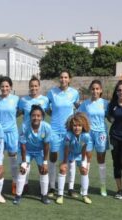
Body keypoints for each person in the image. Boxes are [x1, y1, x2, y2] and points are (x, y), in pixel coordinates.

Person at [46, 70, 79, 198]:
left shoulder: (74, 93)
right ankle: (52, 186)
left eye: (66, 77)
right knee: (53, 157)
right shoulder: (52, 93)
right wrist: (54, 115)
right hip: (54, 130)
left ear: (69, 79)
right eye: (61, 77)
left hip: (68, 131)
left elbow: (77, 107)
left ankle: (70, 187)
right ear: (58, 79)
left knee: (70, 159)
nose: (63, 79)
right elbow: (47, 109)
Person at [13, 105, 51, 205]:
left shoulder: (46, 127)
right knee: (22, 171)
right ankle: (17, 196)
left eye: (38, 115)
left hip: (40, 151)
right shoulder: (25, 126)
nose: (36, 118)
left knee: (44, 171)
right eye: (33, 115)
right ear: (30, 116)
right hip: (27, 151)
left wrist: (45, 162)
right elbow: (23, 145)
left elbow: (46, 145)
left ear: (42, 117)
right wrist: (24, 162)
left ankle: (44, 195)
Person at [17, 75, 49, 193]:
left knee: (41, 165)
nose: (33, 88)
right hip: (26, 134)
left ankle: (44, 187)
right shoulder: (23, 100)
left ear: (39, 87)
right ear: (29, 87)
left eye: (36, 86)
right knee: (24, 163)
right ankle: (24, 184)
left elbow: (51, 112)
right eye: (31, 86)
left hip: (39, 136)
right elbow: (18, 113)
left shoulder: (45, 100)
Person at [78, 80, 109, 196]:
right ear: (90, 90)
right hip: (88, 133)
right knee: (87, 158)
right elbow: (78, 115)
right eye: (93, 89)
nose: (95, 91)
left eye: (97, 89)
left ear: (101, 90)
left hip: (101, 134)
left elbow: (111, 117)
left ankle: (103, 186)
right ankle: (84, 186)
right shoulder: (85, 104)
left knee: (101, 159)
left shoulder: (105, 103)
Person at [0, 76, 20, 195]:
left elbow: (19, 112)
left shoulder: (16, 99)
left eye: (7, 86)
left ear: (11, 87)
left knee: (13, 160)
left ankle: (14, 183)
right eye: (2, 86)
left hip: (12, 133)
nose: (4, 88)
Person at [56, 112, 93, 204]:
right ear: (71, 126)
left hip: (79, 153)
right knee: (63, 169)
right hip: (67, 152)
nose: (77, 128)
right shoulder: (68, 135)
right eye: (75, 125)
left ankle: (85, 194)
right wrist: (64, 162)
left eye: (79, 125)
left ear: (83, 126)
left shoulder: (86, 136)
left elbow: (84, 149)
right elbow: (66, 149)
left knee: (84, 170)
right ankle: (60, 195)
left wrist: (83, 162)